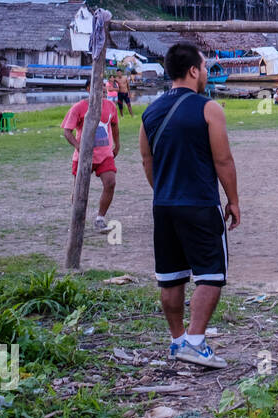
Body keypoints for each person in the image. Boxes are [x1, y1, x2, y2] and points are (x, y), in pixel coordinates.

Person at [139, 42, 240, 369]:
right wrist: (233, 200)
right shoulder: (209, 108)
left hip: (164, 205)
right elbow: (223, 160)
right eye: (206, 67)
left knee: (171, 277)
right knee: (211, 274)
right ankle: (195, 342)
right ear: (194, 70)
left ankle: (177, 340)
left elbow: (146, 160)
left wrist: (165, 190)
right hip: (199, 204)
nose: (207, 72)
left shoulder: (150, 111)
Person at [62, 90, 120, 233]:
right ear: (90, 88)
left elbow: (114, 126)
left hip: (105, 155)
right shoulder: (79, 107)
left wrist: (117, 145)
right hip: (84, 157)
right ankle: (76, 222)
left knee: (110, 183)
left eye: (104, 88)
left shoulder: (110, 106)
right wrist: (78, 146)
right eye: (99, 87)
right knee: (79, 190)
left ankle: (100, 219)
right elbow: (67, 131)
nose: (103, 91)